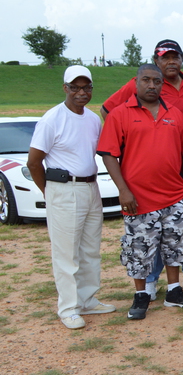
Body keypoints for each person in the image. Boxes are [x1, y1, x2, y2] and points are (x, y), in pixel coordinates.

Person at [102, 39, 183, 296]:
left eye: (175, 57)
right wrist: (132, 140)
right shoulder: (132, 96)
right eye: (165, 57)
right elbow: (107, 113)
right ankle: (149, 282)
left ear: (181, 59)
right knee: (146, 238)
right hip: (143, 181)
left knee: (182, 233)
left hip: (179, 178)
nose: (171, 61)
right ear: (156, 61)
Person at [27, 66, 116, 329]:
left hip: (90, 187)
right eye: (75, 87)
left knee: (90, 249)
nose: (81, 92)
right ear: (65, 88)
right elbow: (34, 162)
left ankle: (87, 300)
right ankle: (68, 308)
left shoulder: (92, 119)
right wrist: (49, 192)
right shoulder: (52, 119)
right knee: (66, 253)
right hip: (63, 188)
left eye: (86, 87)